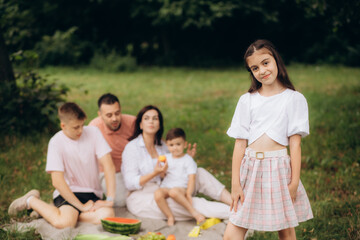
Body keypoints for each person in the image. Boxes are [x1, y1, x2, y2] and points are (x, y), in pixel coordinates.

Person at [223, 39, 313, 240]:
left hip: (279, 170)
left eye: (265, 63)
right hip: (250, 168)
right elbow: (239, 144)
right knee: (231, 234)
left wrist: (294, 182)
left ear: (276, 61)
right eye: (255, 68)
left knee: (286, 231)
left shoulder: (293, 99)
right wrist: (235, 183)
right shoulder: (247, 100)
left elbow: (295, 144)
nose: (262, 70)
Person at [8, 102, 116, 228]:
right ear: (63, 126)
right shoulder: (56, 142)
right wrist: (81, 206)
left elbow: (109, 166)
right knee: (65, 223)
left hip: (92, 195)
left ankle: (52, 211)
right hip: (68, 193)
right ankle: (31, 201)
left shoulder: (94, 132)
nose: (81, 130)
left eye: (82, 125)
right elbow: (57, 182)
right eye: (76, 127)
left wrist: (109, 200)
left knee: (108, 215)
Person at [122, 105, 232, 221]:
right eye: (147, 118)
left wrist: (184, 159)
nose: (151, 121)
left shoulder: (163, 146)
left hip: (170, 186)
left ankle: (235, 203)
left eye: (155, 118)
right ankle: (235, 214)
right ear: (140, 124)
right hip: (144, 196)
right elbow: (130, 183)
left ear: (159, 124)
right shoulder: (132, 148)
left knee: (199, 172)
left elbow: (173, 168)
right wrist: (154, 173)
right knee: (190, 203)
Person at [89, 93, 136, 207]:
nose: (114, 118)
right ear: (100, 115)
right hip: (107, 172)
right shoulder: (94, 128)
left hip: (131, 169)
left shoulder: (133, 123)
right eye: (109, 115)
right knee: (120, 202)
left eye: (117, 113)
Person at [154, 128, 206, 226]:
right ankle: (169, 216)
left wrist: (189, 194)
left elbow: (192, 178)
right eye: (171, 145)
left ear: (185, 144)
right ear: (167, 145)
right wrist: (162, 171)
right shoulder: (166, 158)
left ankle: (194, 212)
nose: (175, 148)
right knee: (157, 194)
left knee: (173, 192)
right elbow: (162, 176)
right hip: (167, 185)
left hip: (180, 187)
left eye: (178, 144)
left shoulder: (188, 160)